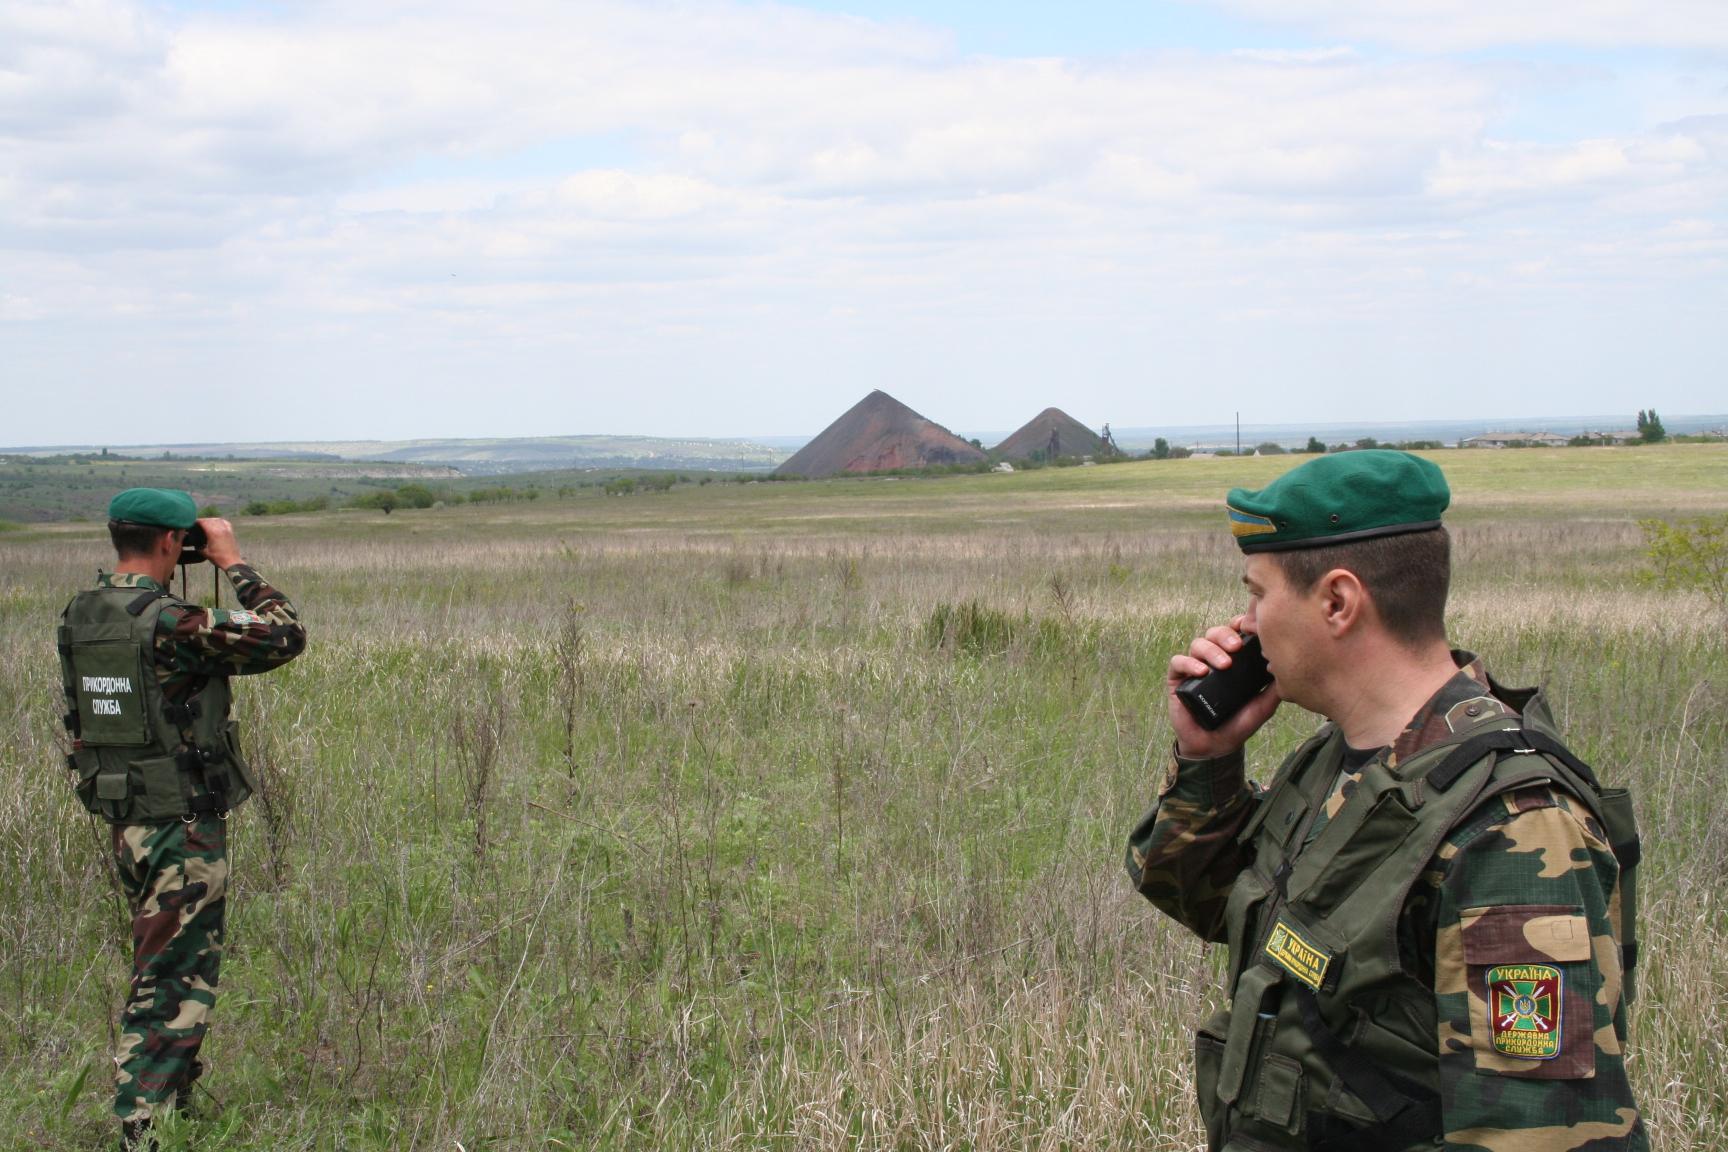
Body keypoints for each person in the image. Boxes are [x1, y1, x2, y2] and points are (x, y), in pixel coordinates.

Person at [1125, 451, 1645, 1152]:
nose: (1244, 625)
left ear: (1337, 602)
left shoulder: (1514, 829)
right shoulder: (1337, 763)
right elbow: (1214, 902)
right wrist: (1207, 763)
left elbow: (1538, 1133)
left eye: (1257, 593)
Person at [57, 488, 307, 1149]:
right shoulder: (170, 623)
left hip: (128, 812)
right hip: (180, 823)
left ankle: (174, 1104)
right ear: (173, 543)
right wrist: (232, 561)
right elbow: (285, 635)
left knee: (168, 957)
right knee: (173, 972)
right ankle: (141, 1126)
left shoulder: (84, 612)